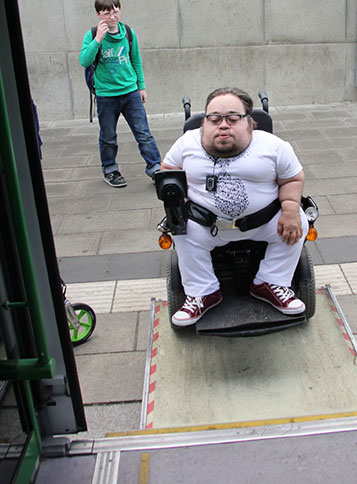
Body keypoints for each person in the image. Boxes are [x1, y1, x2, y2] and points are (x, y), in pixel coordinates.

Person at [160, 87, 309, 326]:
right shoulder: (186, 143)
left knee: (299, 220)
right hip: (205, 225)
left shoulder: (274, 146)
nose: (223, 125)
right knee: (180, 226)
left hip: (263, 221)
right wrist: (180, 200)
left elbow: (292, 178)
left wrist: (290, 209)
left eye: (232, 118)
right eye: (215, 118)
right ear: (204, 123)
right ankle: (202, 292)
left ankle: (271, 282)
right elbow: (167, 171)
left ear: (250, 123)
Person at [79, 0, 161, 188]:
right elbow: (84, 60)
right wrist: (98, 39)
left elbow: (136, 61)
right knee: (108, 136)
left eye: (115, 11)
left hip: (130, 93)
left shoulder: (129, 33)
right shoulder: (92, 35)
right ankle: (110, 169)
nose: (112, 17)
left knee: (143, 133)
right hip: (106, 96)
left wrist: (141, 87)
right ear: (99, 14)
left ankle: (155, 168)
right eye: (107, 13)